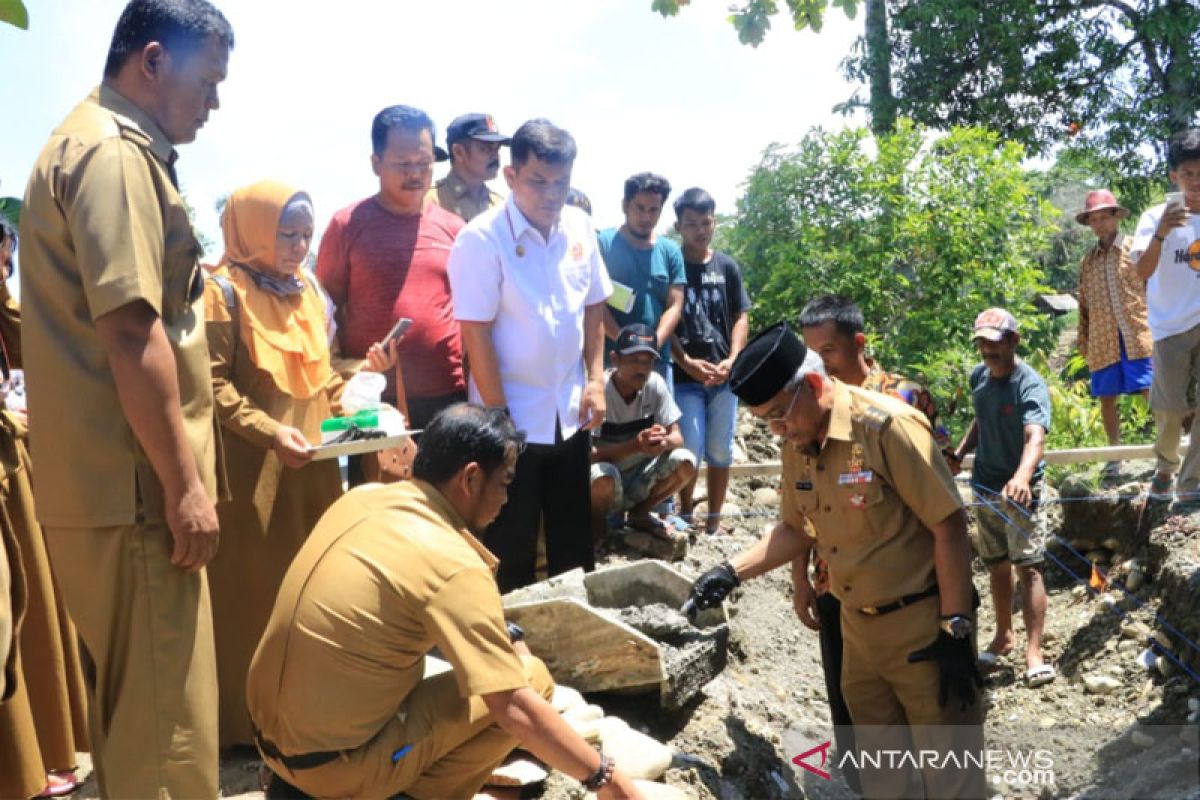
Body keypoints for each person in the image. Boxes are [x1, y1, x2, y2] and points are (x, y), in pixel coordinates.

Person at [18, 1, 233, 796]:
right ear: (152, 62)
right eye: (207, 81)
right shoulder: (113, 155)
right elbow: (131, 332)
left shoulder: (83, 143)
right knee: (166, 740)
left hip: (107, 487)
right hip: (139, 493)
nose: (215, 102)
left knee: (134, 726)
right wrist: (183, 487)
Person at [247, 405, 644, 800]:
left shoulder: (365, 498)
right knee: (532, 680)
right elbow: (513, 707)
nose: (507, 499)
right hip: (333, 770)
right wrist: (605, 779)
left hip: (272, 743)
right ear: (470, 478)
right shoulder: (452, 562)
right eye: (505, 483)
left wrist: (507, 636)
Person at [686, 323, 987, 799]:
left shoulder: (886, 426)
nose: (779, 431)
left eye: (781, 416)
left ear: (812, 385)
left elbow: (948, 524)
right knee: (882, 778)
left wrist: (955, 628)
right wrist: (729, 572)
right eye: (767, 422)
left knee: (951, 778)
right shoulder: (797, 445)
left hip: (923, 631)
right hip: (857, 636)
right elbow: (794, 528)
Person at [204, 180, 397, 749]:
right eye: (285, 233)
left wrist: (366, 380)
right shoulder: (220, 292)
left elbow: (321, 379)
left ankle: (306, 720)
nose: (297, 245)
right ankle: (245, 728)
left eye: (306, 235)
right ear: (253, 231)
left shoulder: (307, 289)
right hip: (250, 475)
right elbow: (208, 385)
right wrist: (268, 433)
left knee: (312, 592)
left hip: (312, 467)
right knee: (253, 596)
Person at [797, 292, 952, 795]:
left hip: (909, 592)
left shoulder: (903, 402)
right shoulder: (808, 412)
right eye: (812, 357)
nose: (821, 368)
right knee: (859, 713)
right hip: (837, 588)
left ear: (858, 343)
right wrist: (800, 579)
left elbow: (941, 501)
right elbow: (803, 507)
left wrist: (954, 612)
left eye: (829, 354)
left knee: (934, 718)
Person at [448, 119, 610, 592]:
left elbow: (594, 304)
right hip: (511, 418)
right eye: (538, 181)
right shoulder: (481, 240)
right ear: (511, 176)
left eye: (560, 182)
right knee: (510, 546)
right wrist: (499, 419)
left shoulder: (580, 227)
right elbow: (475, 332)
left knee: (574, 545)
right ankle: (510, 651)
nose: (550, 194)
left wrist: (596, 379)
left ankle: (580, 644)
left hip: (570, 413)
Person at [316, 105, 466, 432]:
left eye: (424, 164)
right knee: (381, 487)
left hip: (449, 396)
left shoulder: (455, 229)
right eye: (404, 164)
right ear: (376, 164)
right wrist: (352, 371)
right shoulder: (347, 225)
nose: (415, 174)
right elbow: (323, 316)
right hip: (374, 404)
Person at [948, 308, 1053, 687]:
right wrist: (959, 454)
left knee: (1029, 567)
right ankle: (1003, 635)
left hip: (1020, 492)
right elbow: (980, 418)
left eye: (994, 344)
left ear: (1013, 341)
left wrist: (1023, 476)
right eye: (981, 344)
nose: (987, 351)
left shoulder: (1029, 384)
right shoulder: (980, 377)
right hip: (985, 487)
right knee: (996, 564)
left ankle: (1034, 651)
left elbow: (1035, 436)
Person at [669, 188, 750, 534]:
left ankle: (714, 520)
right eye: (691, 224)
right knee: (691, 445)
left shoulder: (726, 266)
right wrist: (685, 361)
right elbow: (667, 318)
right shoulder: (673, 264)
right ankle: (686, 511)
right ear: (679, 226)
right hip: (687, 378)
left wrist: (733, 359)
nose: (700, 230)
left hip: (724, 376)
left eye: (706, 223)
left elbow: (741, 316)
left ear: (714, 222)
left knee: (720, 449)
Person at [1131, 129, 1200, 501]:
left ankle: (1191, 482)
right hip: (1171, 324)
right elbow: (1141, 272)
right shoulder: (1153, 217)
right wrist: (1161, 234)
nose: (1196, 182)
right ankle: (1166, 466)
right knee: (1170, 407)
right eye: (1188, 174)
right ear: (1174, 176)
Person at [591, 324, 696, 543]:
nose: (642, 368)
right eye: (634, 360)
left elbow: (678, 437)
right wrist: (634, 446)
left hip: (641, 475)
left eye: (648, 361)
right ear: (615, 358)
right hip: (609, 478)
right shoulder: (599, 391)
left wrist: (662, 441)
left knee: (686, 461)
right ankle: (597, 525)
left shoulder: (655, 384)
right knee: (602, 475)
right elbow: (587, 455)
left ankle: (640, 513)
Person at [1075, 189, 1153, 464]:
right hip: (1103, 338)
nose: (1099, 224)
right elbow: (1083, 304)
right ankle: (1114, 454)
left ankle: (1167, 446)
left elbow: (1152, 288)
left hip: (1137, 333)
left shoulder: (1135, 249)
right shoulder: (1088, 262)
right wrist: (1083, 340)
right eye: (1093, 220)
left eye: (1103, 218)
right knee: (1106, 395)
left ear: (1115, 217)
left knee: (1149, 388)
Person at [597, 173, 685, 385]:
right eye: (640, 208)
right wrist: (626, 346)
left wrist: (650, 347)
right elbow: (593, 302)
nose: (646, 217)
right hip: (612, 360)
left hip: (657, 363)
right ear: (625, 205)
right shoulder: (603, 244)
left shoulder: (670, 251)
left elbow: (675, 306)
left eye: (653, 209)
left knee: (660, 419)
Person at [427, 112, 509, 222]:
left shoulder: (501, 207)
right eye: (485, 148)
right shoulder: (428, 201)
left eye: (497, 148)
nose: (495, 156)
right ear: (459, 152)